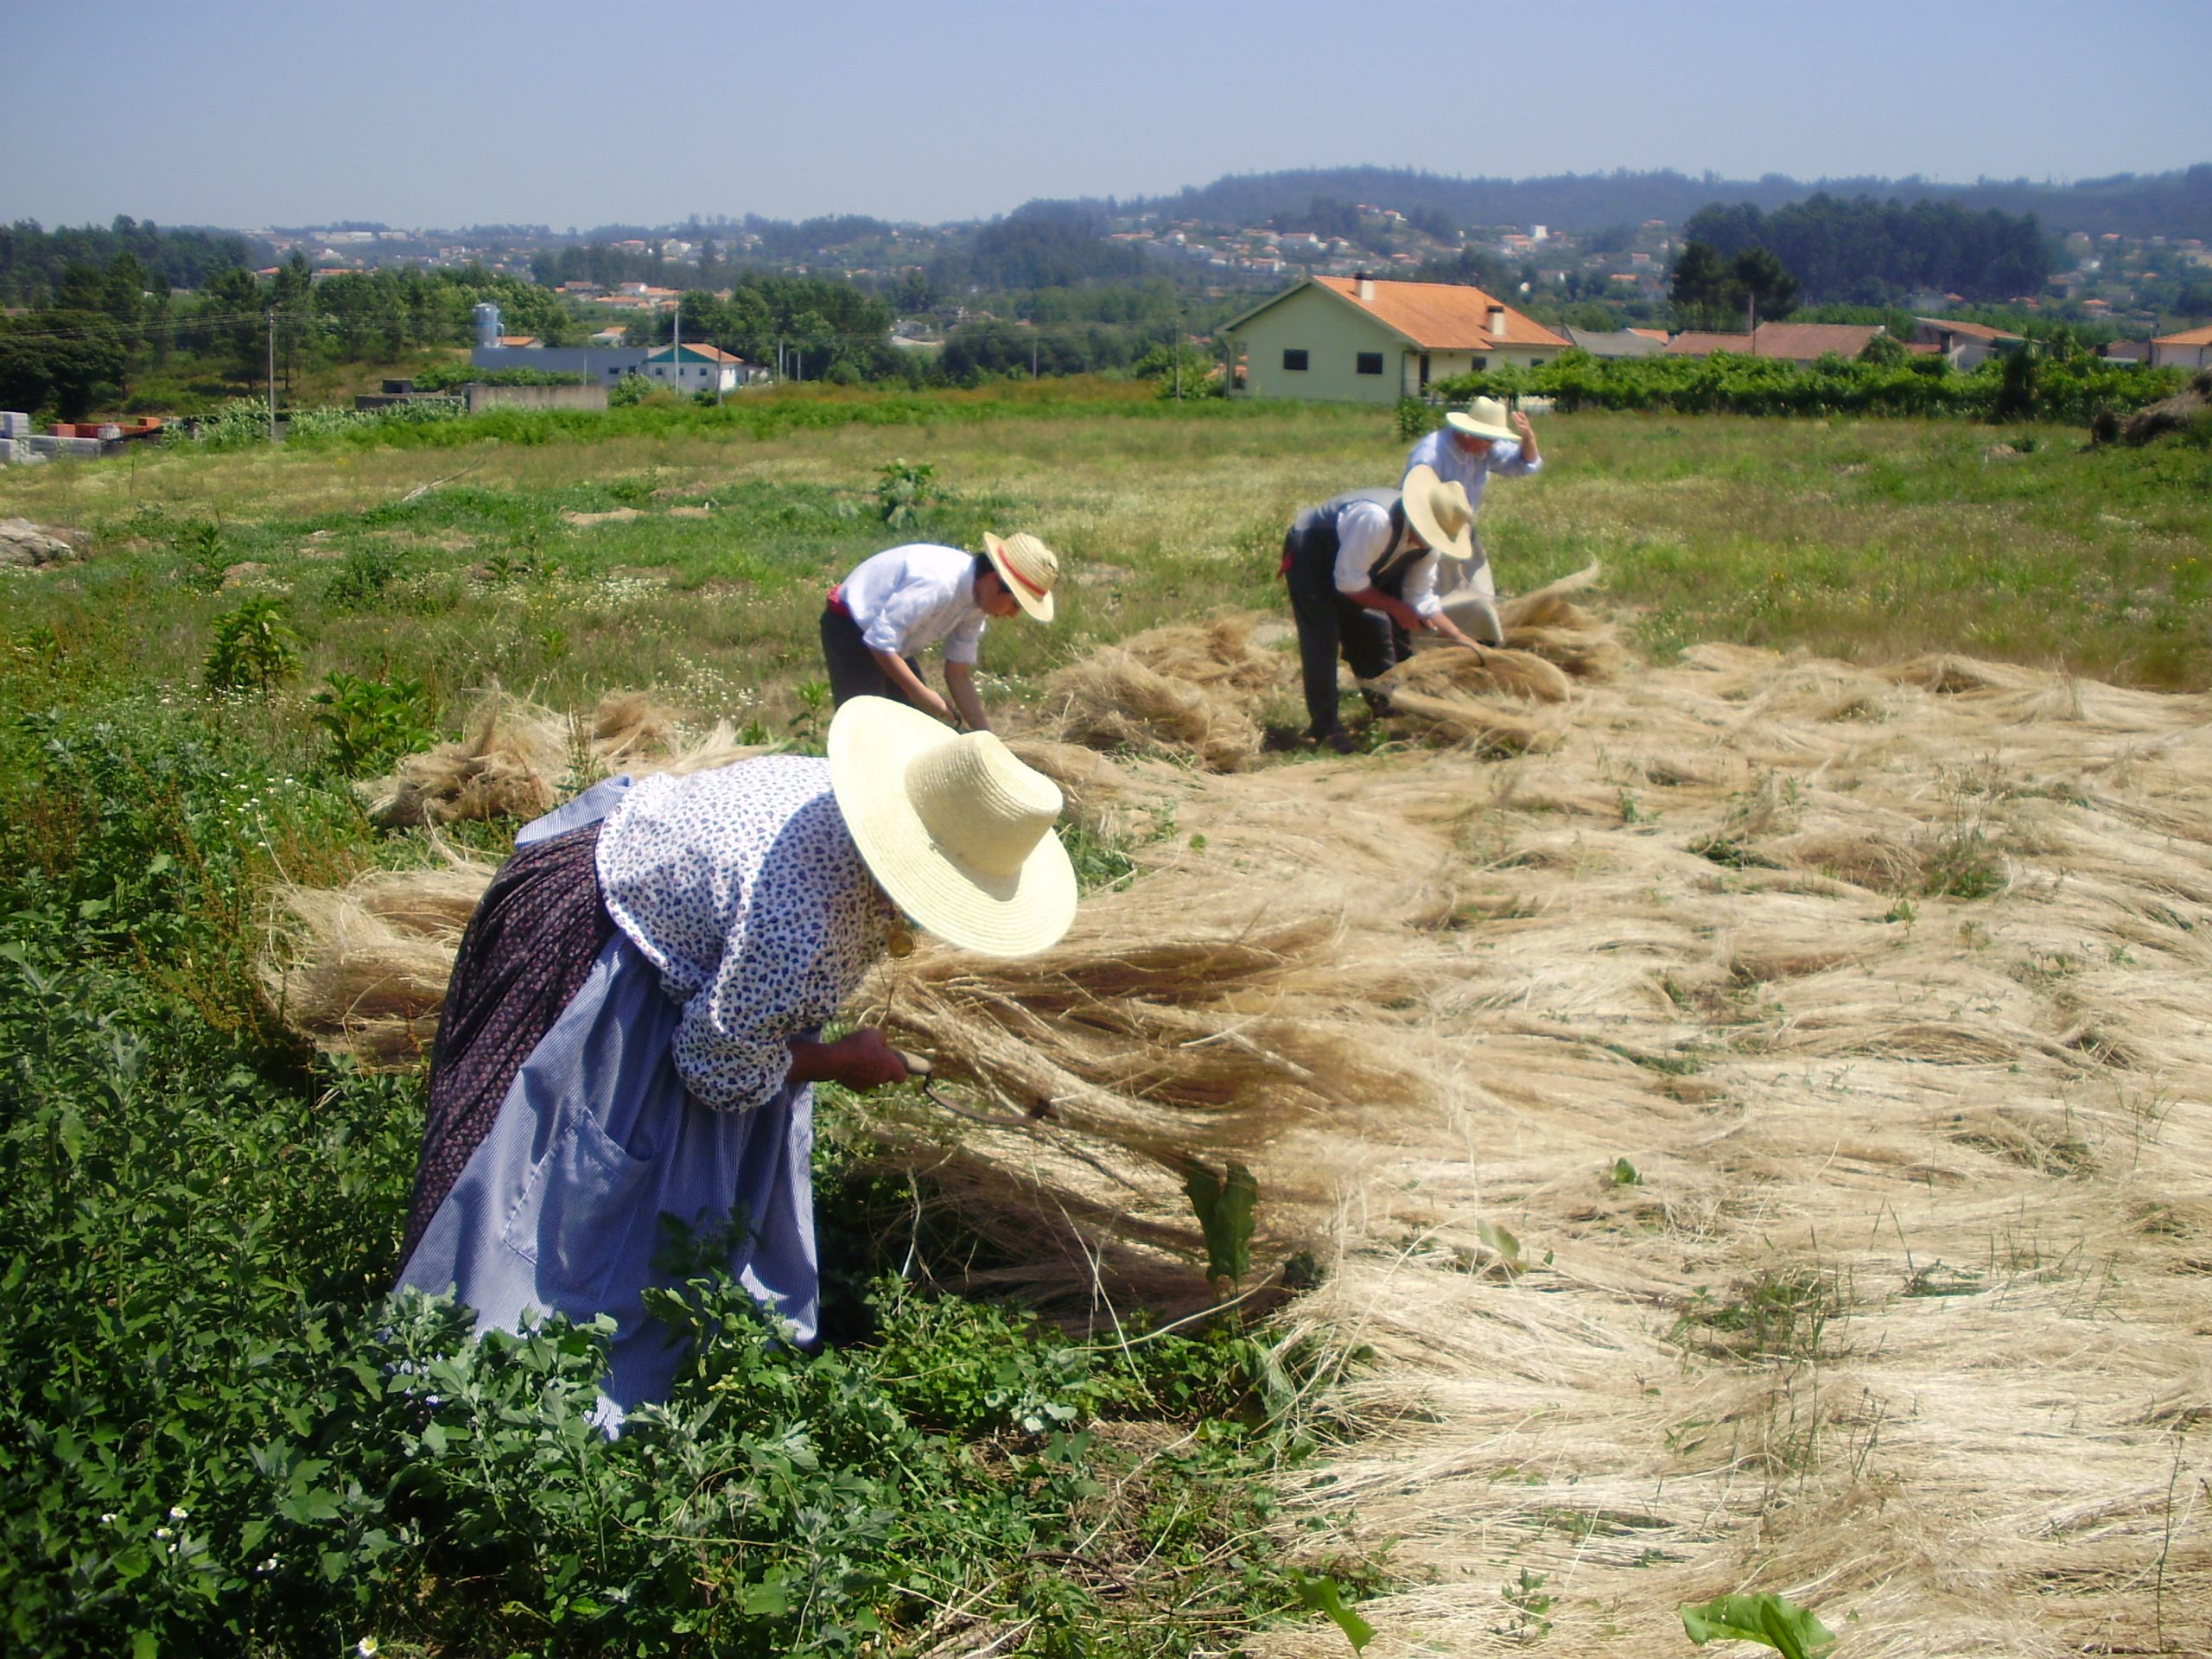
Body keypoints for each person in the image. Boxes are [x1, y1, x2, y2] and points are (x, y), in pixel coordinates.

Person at [394, 696, 1078, 1423]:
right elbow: (716, 1068)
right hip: (590, 937)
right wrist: (841, 1060)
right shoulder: (806, 928)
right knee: (559, 1179)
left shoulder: (835, 793)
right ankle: (471, 1383)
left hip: (590, 856)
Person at [1281, 466, 1490, 751]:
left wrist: (1457, 636)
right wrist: (1395, 607)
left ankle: (1387, 708)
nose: (1427, 543)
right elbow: (1350, 583)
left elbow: (1421, 598)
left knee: (1373, 629)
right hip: (1312, 552)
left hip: (1353, 570)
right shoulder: (1376, 521)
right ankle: (1324, 728)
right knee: (1322, 639)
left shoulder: (1428, 548)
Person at [819, 532, 1060, 731]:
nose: (1012, 614)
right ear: (994, 581)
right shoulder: (939, 584)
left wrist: (983, 733)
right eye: (1015, 603)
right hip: (851, 628)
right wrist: (921, 693)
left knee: (912, 727)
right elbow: (879, 641)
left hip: (892, 643)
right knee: (867, 727)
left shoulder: (978, 604)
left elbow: (957, 674)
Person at [1401, 394, 1543, 643]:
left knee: (1482, 594)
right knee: (1439, 597)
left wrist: (1529, 439)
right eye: (1487, 440)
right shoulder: (1431, 452)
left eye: (1493, 441)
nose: (1491, 446)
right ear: (1468, 433)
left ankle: (1477, 643)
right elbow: (1413, 496)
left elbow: (1524, 465)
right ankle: (1436, 647)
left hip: (1463, 530)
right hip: (1430, 531)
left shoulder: (1486, 448)